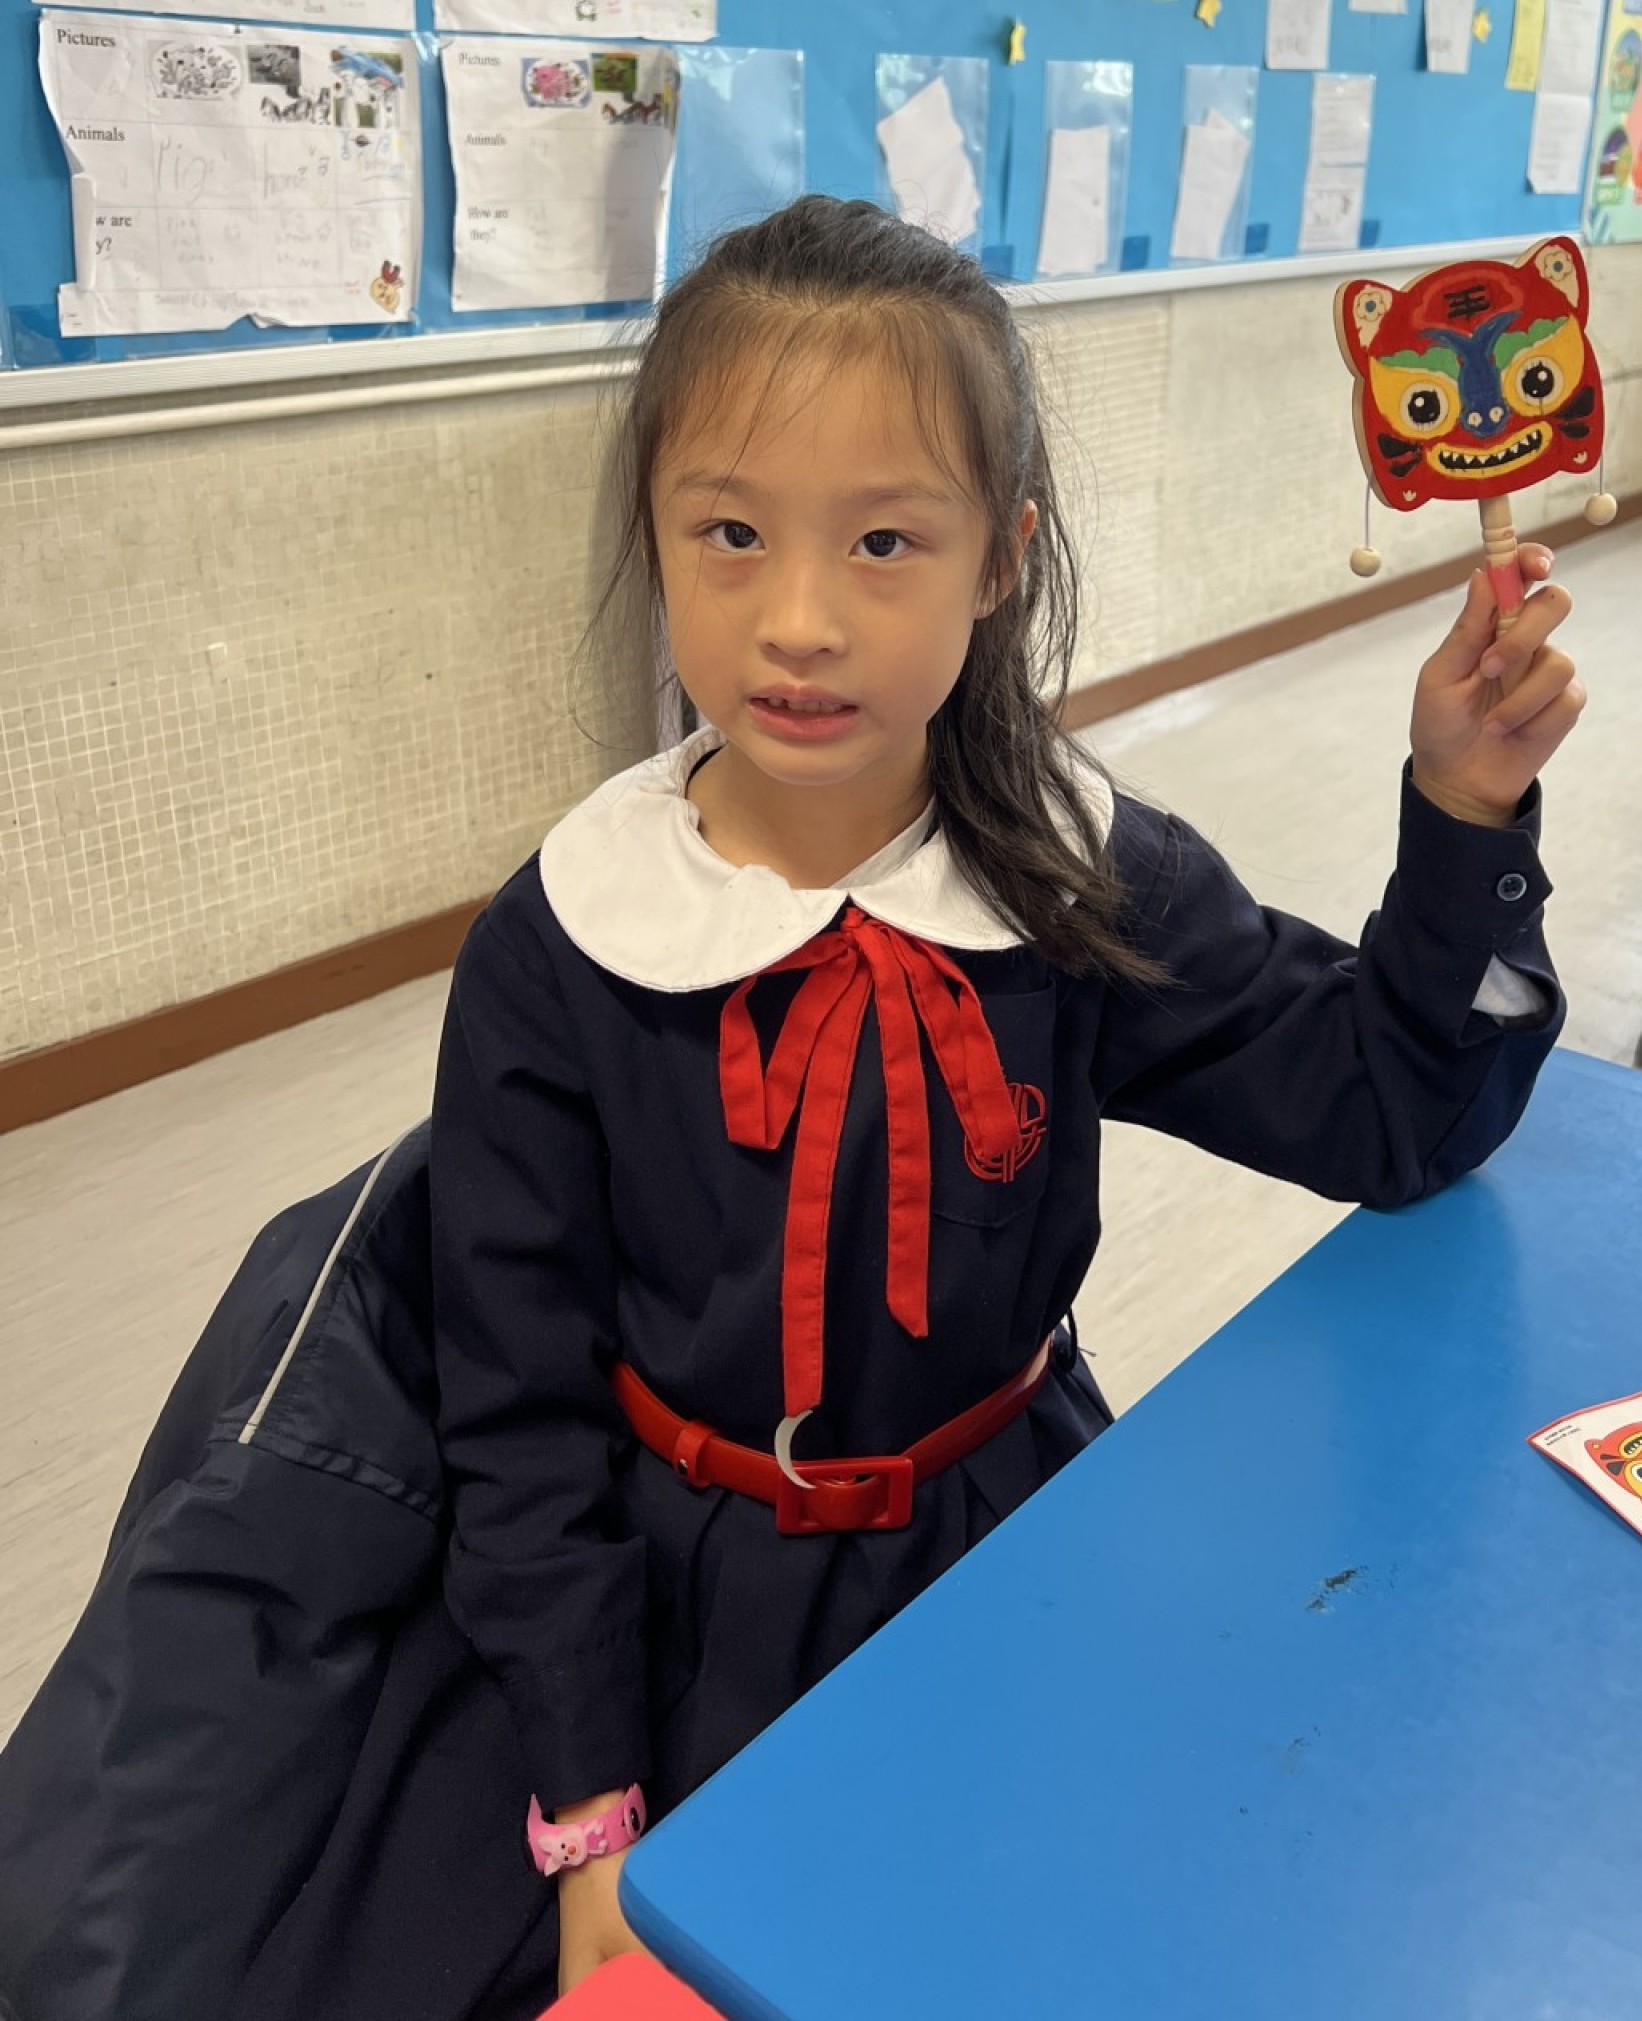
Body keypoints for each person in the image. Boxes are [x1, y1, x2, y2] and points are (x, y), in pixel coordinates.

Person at [430, 194, 1580, 2001]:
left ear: (999, 559)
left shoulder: (1076, 879)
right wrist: (589, 1811)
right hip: (676, 1630)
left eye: (885, 540)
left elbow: (1392, 1114)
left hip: (1014, 1561)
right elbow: (515, 1427)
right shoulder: (561, 942)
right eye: (729, 532)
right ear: (654, 534)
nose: (798, 622)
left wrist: (1466, 813)